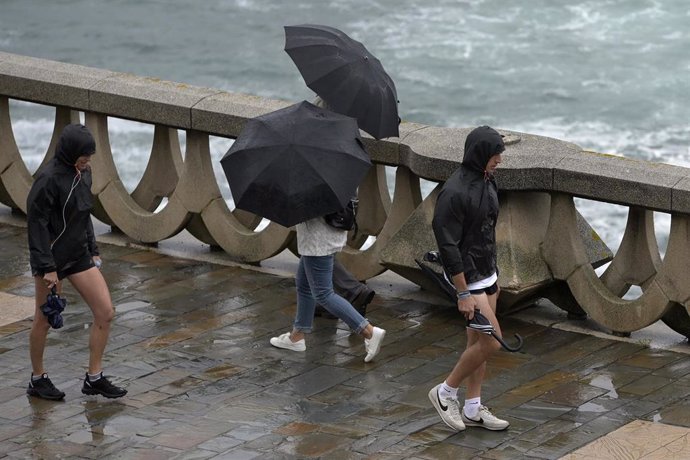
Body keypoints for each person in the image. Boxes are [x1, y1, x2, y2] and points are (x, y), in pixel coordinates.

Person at [26, 123, 127, 400]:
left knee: (105, 312)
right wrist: (47, 267)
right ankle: (37, 379)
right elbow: (36, 225)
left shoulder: (84, 173)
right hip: (51, 261)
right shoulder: (47, 180)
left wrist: (93, 249)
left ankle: (94, 378)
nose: (88, 160)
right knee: (44, 320)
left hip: (78, 255)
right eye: (84, 155)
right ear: (70, 152)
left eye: (90, 155)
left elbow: (83, 213)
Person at [427, 126, 509, 432]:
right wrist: (462, 292)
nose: (499, 159)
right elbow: (447, 243)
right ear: (480, 154)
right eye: (495, 154)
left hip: (486, 273)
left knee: (477, 343)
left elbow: (487, 229)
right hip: (467, 278)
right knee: (492, 342)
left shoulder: (488, 181)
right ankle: (445, 392)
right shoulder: (454, 191)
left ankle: (473, 407)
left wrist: (494, 276)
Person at [269, 213, 386, 362]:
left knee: (323, 294)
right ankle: (296, 337)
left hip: (317, 240)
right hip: (328, 233)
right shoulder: (332, 190)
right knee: (304, 285)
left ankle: (368, 331)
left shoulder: (312, 190)